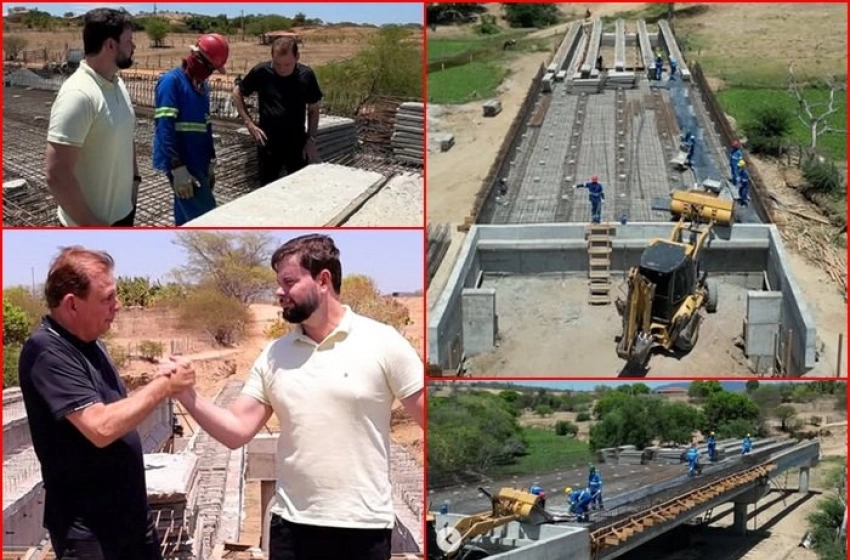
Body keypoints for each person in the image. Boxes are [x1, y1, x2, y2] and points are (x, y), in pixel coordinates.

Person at [164, 234, 424, 560]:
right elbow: (237, 429)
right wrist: (188, 397)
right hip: (291, 528)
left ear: (323, 279)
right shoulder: (274, 354)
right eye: (278, 283)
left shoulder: (384, 343)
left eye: (289, 282)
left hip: (364, 528)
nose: (278, 292)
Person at [17, 246, 196, 560]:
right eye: (107, 299)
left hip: (129, 520)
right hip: (91, 532)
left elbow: (116, 409)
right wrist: (162, 387)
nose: (118, 305)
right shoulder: (47, 352)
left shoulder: (90, 344)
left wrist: (158, 381)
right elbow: (100, 427)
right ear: (72, 304)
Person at [45, 8, 139, 227]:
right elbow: (56, 174)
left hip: (124, 215)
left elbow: (127, 135)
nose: (133, 47)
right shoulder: (79, 94)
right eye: (129, 41)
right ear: (110, 45)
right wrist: (94, 227)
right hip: (89, 226)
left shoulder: (117, 83)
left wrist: (135, 182)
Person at [153, 34, 230, 225]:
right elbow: (164, 127)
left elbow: (206, 125)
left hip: (199, 162)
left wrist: (211, 160)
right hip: (184, 164)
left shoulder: (202, 86)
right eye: (210, 67)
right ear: (197, 58)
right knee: (206, 221)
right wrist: (177, 167)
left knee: (186, 220)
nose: (210, 73)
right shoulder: (172, 82)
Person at [232, 36, 324, 186]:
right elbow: (237, 93)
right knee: (267, 188)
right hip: (268, 142)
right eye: (277, 64)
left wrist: (311, 139)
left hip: (296, 143)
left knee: (298, 186)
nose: (282, 69)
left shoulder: (306, 75)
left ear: (297, 57)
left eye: (287, 64)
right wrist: (249, 123)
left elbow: (313, 110)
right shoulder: (261, 72)